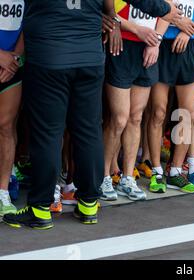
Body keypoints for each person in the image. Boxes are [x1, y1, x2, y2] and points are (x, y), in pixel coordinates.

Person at [2, 0, 183, 230]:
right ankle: (88, 204)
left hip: (49, 57)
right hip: (88, 58)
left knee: (48, 134)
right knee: (88, 131)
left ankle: (40, 209)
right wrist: (164, 9)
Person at [100, 0, 167, 202]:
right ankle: (103, 177)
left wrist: (157, 41)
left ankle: (127, 178)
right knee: (119, 118)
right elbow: (107, 10)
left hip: (147, 47)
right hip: (122, 45)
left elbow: (167, 10)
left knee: (135, 117)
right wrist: (137, 30)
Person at [148, 0, 194, 194]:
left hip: (188, 46)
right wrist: (178, 24)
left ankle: (175, 170)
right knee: (158, 112)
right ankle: (156, 170)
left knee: (188, 114)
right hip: (162, 45)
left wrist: (188, 31)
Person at [0, 0, 24, 216]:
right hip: (3, 58)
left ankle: (3, 191)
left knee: (6, 127)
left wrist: (14, 57)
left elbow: (27, 25)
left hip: (11, 66)